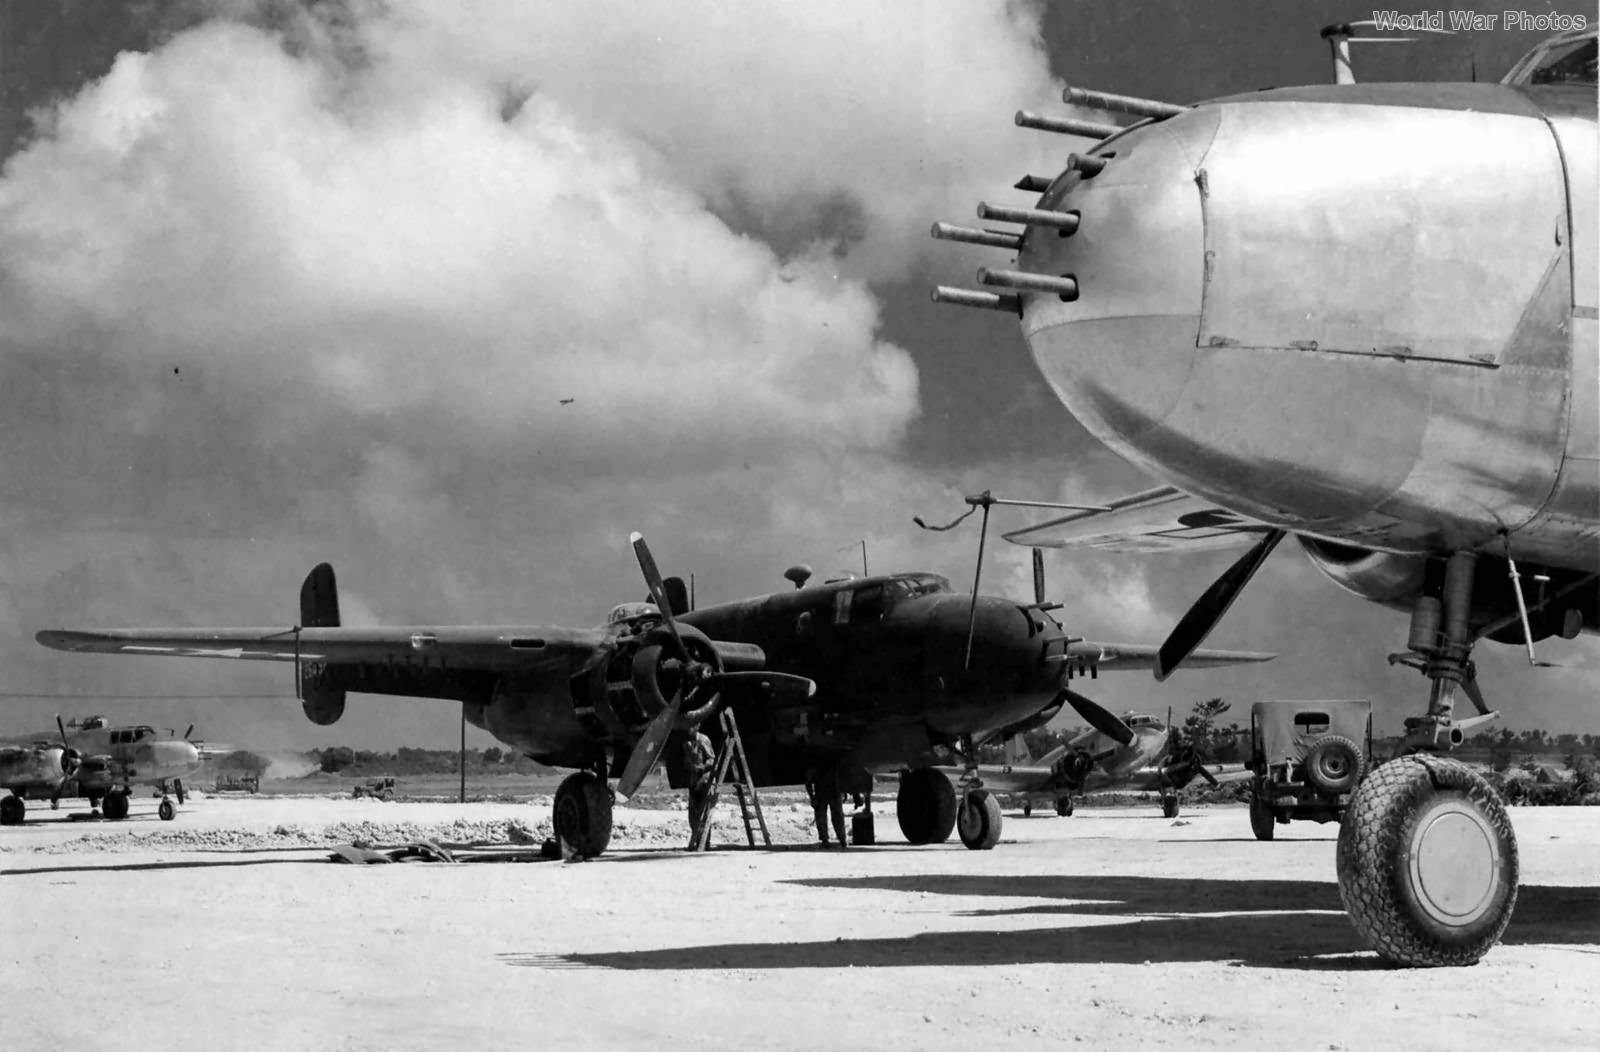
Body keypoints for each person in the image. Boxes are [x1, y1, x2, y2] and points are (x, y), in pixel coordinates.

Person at [684, 728, 718, 851]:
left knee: (705, 812)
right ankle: (696, 840)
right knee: (693, 814)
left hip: (705, 779)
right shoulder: (686, 742)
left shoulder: (703, 740)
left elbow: (712, 759)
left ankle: (704, 842)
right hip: (693, 780)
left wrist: (702, 767)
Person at [804, 765, 847, 848]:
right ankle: (836, 839)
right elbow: (808, 781)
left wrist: (812, 797)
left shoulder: (817, 762)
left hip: (830, 791)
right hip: (825, 792)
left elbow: (808, 781)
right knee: (826, 816)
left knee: (833, 816)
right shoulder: (819, 763)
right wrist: (812, 797)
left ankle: (838, 839)